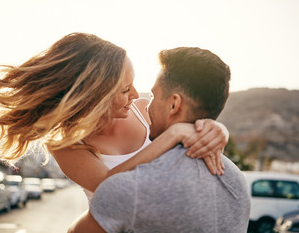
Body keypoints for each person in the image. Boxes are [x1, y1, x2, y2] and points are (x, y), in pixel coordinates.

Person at [0, 33, 228, 201]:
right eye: (125, 89)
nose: (137, 94)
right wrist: (171, 136)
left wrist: (217, 129)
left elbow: (192, 116)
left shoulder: (144, 108)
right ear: (95, 95)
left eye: (135, 84)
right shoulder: (67, 144)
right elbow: (109, 187)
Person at [68, 47, 251, 233]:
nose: (142, 100)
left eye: (153, 96)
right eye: (125, 89)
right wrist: (177, 131)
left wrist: (217, 129)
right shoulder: (237, 180)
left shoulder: (131, 189)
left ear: (174, 104)